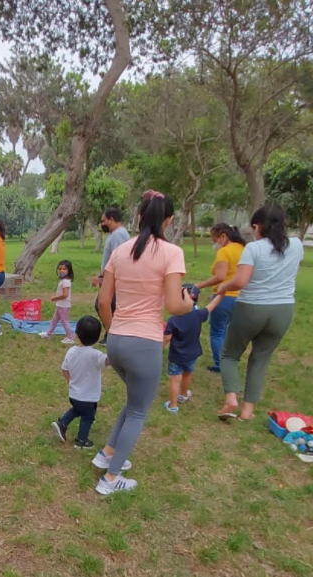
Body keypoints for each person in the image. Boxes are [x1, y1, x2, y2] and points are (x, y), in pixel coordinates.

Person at [94, 190, 193, 495]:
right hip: (145, 343)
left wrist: (114, 330)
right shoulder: (171, 252)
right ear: (169, 220)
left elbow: (102, 302)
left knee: (134, 401)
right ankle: (111, 479)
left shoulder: (120, 251)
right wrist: (189, 303)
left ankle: (108, 453)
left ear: (139, 216)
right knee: (138, 411)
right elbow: (175, 305)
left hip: (116, 341)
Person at [216, 205, 304, 422]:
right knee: (260, 359)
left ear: (257, 226)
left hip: (251, 307)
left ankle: (231, 398)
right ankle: (247, 411)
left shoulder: (254, 248)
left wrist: (224, 286)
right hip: (283, 309)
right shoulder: (296, 244)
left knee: (229, 355)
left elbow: (241, 281)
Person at [194, 223, 246, 373]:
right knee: (228, 331)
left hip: (224, 297)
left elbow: (220, 277)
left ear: (223, 236)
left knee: (217, 332)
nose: (215, 243)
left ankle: (220, 364)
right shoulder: (243, 249)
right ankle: (230, 359)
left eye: (215, 239)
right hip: (241, 297)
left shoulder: (224, 251)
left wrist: (199, 285)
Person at [51, 316, 109, 449]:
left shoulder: (71, 352)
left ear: (76, 334)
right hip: (89, 397)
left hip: (74, 394)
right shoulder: (96, 355)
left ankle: (62, 423)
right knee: (87, 417)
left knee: (77, 409)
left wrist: (70, 380)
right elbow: (108, 361)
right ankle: (82, 440)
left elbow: (64, 369)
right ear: (97, 338)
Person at [163, 293, 224, 412]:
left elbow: (167, 338)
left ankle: (173, 405)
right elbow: (212, 305)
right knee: (187, 374)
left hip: (176, 356)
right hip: (193, 355)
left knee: (175, 379)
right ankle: (183, 395)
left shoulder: (173, 320)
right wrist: (222, 293)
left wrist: (159, 349)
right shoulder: (198, 315)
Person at [92, 207, 130, 343]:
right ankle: (111, 334)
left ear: (112, 219)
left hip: (115, 278)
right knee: (106, 305)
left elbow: (116, 260)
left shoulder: (118, 235)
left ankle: (113, 335)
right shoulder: (114, 234)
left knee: (104, 305)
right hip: (110, 277)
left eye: (104, 221)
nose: (102, 224)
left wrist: (102, 277)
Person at [39, 260, 75, 344]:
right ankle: (48, 334)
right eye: (60, 269)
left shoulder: (65, 282)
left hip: (63, 305)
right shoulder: (64, 280)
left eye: (64, 269)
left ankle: (70, 337)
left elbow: (65, 294)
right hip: (60, 305)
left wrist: (56, 298)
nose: (61, 270)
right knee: (54, 321)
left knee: (64, 321)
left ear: (69, 270)